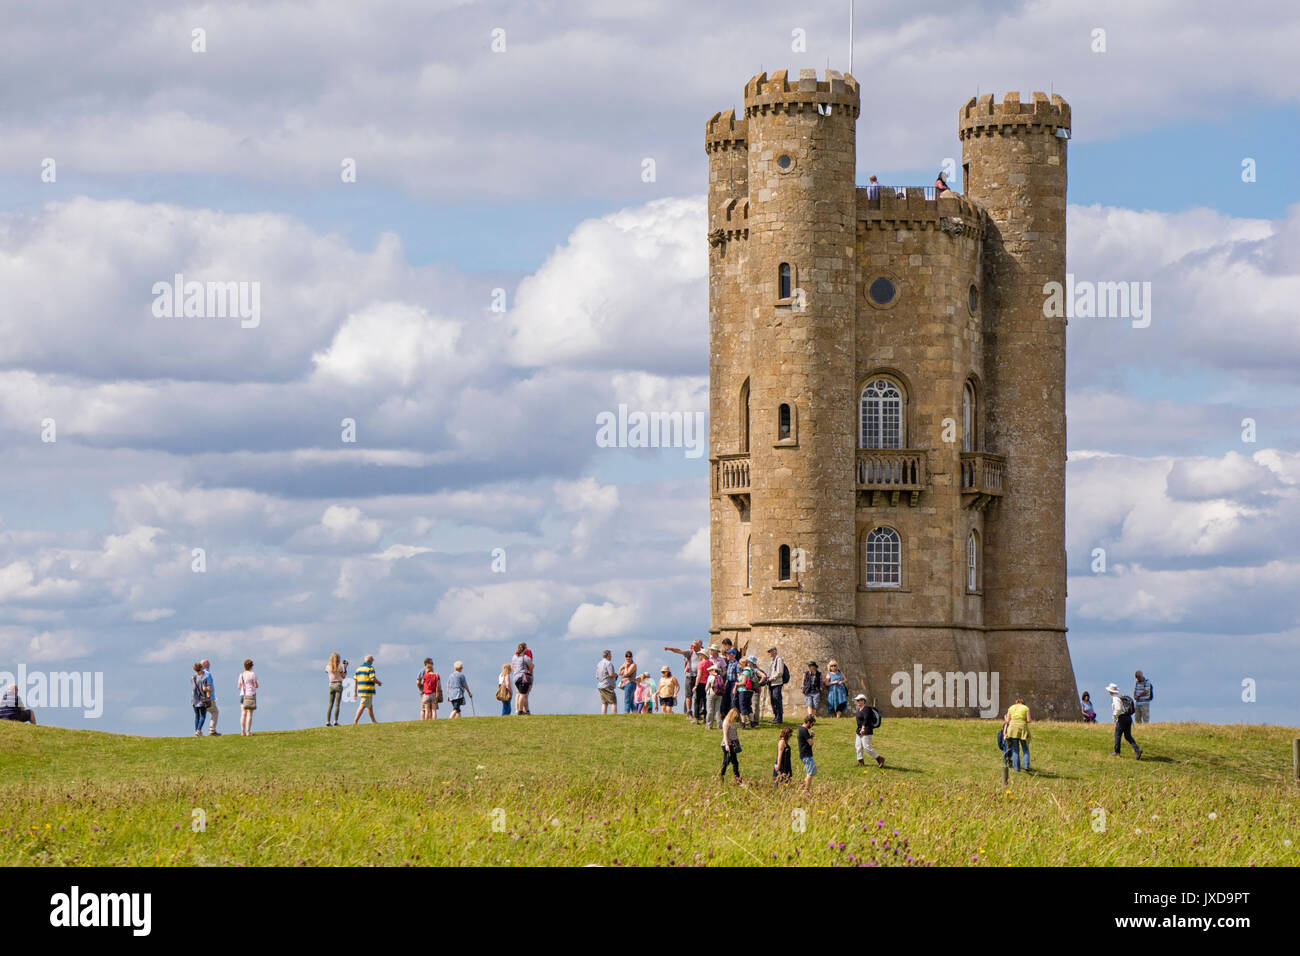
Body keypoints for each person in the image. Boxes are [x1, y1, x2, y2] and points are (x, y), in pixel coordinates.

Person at [664, 640, 703, 722]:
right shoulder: (690, 652)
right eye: (693, 645)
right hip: (689, 676)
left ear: (700, 645)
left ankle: (696, 714)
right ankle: (689, 712)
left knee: (698, 696)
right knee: (688, 695)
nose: (693, 646)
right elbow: (679, 651)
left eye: (695, 645)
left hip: (699, 677)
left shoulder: (703, 653)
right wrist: (669, 649)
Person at [1107, 682, 1142, 759]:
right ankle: (1137, 750)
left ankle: (1117, 752)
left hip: (1122, 718)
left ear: (1111, 691)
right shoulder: (1120, 696)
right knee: (1127, 736)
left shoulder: (1115, 698)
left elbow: (1118, 708)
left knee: (1117, 735)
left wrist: (1114, 716)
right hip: (1128, 718)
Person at [853, 694, 885, 768]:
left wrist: (863, 728)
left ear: (863, 701)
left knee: (866, 747)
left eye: (859, 700)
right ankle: (860, 762)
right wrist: (860, 729)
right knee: (858, 746)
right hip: (859, 730)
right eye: (857, 700)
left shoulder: (866, 709)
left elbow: (866, 719)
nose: (857, 701)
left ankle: (880, 759)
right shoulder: (859, 709)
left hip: (866, 730)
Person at [1004, 696, 1031, 771]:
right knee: (1025, 748)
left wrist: (1005, 731)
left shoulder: (1011, 707)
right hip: (1022, 728)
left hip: (1012, 729)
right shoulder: (1026, 708)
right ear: (1023, 703)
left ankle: (1016, 768)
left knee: (1015, 749)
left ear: (1017, 702)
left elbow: (1007, 720)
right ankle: (1026, 765)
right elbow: (1029, 720)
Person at [352, 654, 380, 724]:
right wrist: (379, 682)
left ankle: (374, 721)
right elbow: (372, 679)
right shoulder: (370, 668)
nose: (373, 661)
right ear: (370, 660)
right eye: (372, 659)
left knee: (369, 706)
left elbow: (355, 680)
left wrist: (355, 691)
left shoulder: (358, 669)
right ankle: (355, 721)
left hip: (361, 689)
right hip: (367, 690)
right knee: (363, 705)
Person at [719, 707, 742, 784]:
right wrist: (727, 745)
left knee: (734, 762)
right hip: (727, 744)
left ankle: (738, 779)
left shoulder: (732, 722)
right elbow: (725, 735)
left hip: (733, 744)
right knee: (726, 761)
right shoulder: (726, 722)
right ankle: (721, 776)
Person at [766, 646, 787, 724]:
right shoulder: (773, 661)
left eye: (770, 651)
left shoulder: (779, 660)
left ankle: (779, 718)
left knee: (777, 700)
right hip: (772, 683)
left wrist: (771, 678)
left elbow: (779, 672)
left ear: (774, 651)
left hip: (777, 683)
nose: (769, 653)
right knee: (773, 700)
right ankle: (775, 717)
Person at [326, 653, 348, 726]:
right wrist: (345, 668)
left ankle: (328, 721)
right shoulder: (340, 667)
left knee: (330, 704)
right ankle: (335, 721)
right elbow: (343, 676)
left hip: (331, 685)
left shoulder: (328, 667)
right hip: (338, 684)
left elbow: (326, 672)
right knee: (337, 704)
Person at [511, 643, 533, 715]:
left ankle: (521, 710)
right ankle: (520, 711)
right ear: (525, 649)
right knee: (523, 694)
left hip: (515, 678)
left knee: (519, 694)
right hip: (523, 677)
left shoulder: (514, 657)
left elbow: (512, 667)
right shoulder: (525, 658)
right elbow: (531, 666)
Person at [237, 659, 258, 736]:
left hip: (243, 695)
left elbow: (239, 687)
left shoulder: (241, 675)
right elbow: (256, 685)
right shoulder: (253, 674)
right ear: (251, 666)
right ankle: (248, 731)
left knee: (243, 713)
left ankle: (242, 732)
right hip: (251, 695)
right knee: (249, 714)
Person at [595, 650, 618, 714]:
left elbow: (597, 676)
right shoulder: (608, 663)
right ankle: (614, 715)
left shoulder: (599, 663)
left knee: (604, 703)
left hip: (600, 685)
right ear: (608, 655)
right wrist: (616, 675)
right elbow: (611, 674)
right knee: (613, 702)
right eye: (610, 655)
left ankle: (604, 716)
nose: (611, 656)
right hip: (607, 685)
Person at [797, 714, 817, 790]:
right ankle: (806, 790)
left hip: (805, 754)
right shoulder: (804, 730)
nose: (811, 726)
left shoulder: (801, 729)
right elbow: (811, 743)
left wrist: (811, 736)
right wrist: (812, 735)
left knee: (813, 770)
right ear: (808, 722)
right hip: (806, 754)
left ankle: (802, 785)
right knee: (810, 772)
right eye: (812, 724)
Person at [201, 659, 220, 736]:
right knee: (215, 712)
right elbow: (208, 686)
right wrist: (209, 696)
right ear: (205, 665)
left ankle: (198, 730)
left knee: (201, 715)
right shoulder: (207, 674)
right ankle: (212, 730)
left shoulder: (199, 675)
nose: (209, 664)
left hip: (200, 698)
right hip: (209, 698)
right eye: (208, 663)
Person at [190, 662, 209, 737]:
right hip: (202, 698)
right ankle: (198, 730)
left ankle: (196, 731)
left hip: (194, 699)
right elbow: (204, 688)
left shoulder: (193, 678)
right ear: (201, 668)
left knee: (197, 715)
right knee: (203, 715)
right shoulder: (204, 677)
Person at [705, 663, 724, 729]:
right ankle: (719, 725)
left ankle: (709, 726)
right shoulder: (720, 677)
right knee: (717, 710)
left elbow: (707, 687)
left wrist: (707, 692)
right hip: (719, 694)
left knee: (710, 710)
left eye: (710, 670)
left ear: (713, 670)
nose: (709, 672)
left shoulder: (710, 677)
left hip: (711, 693)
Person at [693, 652, 711, 724]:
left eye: (700, 654)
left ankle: (696, 718)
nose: (699, 656)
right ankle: (705, 718)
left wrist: (696, 685)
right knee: (705, 701)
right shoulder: (710, 663)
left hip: (700, 683)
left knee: (697, 701)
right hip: (707, 683)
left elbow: (699, 675)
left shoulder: (701, 663)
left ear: (703, 655)